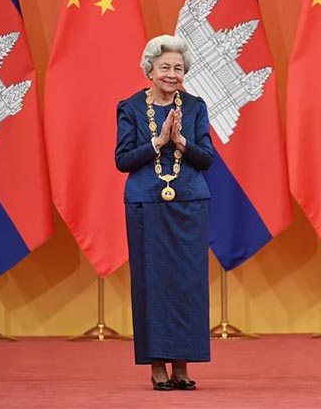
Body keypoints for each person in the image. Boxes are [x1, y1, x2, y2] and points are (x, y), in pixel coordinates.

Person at [115, 34, 214, 391]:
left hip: (189, 203)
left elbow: (207, 159)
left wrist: (182, 142)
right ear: (150, 70)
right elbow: (122, 160)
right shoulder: (130, 108)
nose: (172, 74)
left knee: (187, 286)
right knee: (152, 285)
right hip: (146, 205)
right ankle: (157, 365)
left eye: (178, 68)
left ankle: (183, 366)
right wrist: (157, 143)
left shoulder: (195, 106)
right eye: (165, 68)